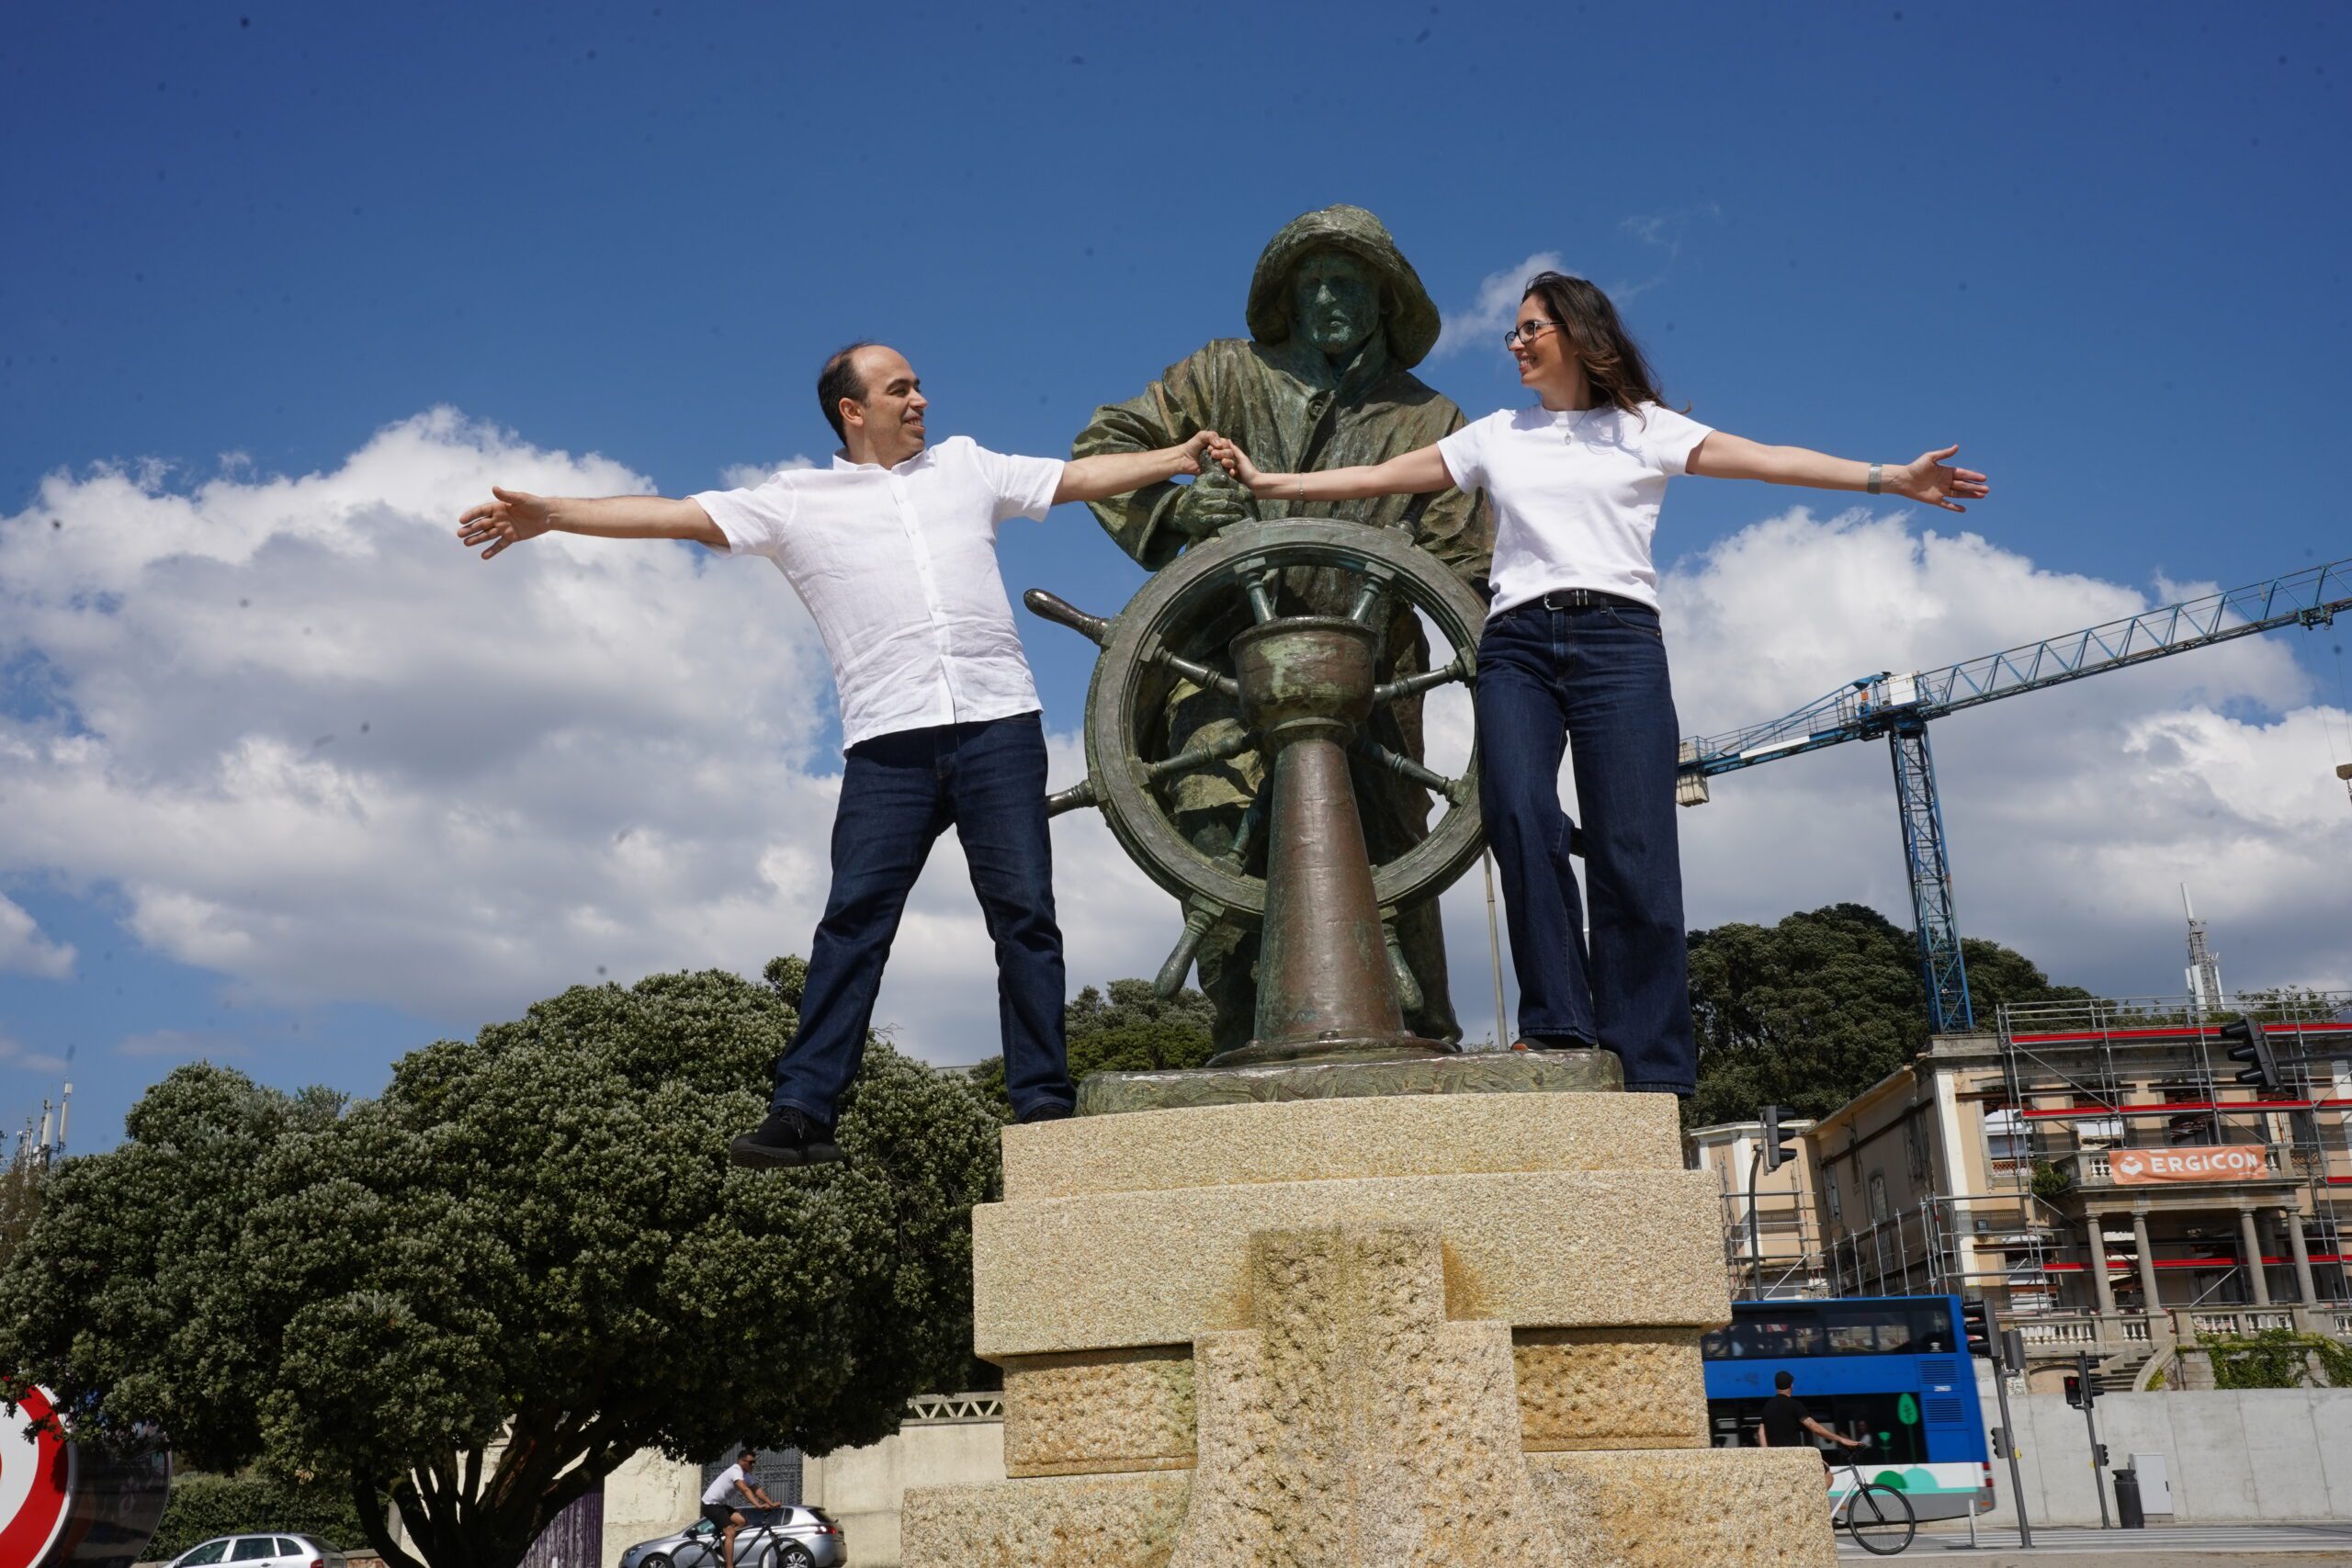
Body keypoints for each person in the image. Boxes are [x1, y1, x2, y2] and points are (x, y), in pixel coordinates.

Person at [1208, 271, 1986, 1094]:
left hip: (1620, 644)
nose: (1516, 343)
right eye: (1513, 331)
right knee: (1518, 813)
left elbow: (1767, 461)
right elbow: (1384, 476)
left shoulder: (1644, 428)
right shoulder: (1498, 434)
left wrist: (1891, 477)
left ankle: (1649, 1062)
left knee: (1633, 848)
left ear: (1577, 334)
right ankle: (1558, 1023)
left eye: (1530, 329)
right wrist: (1272, 483)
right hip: (1516, 644)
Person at [458, 343, 1220, 1164]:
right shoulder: (795, 501)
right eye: (900, 389)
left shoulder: (967, 468)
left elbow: (1074, 479)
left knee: (1025, 916)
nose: (921, 399)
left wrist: (1177, 456)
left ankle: (1041, 1101)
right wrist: (552, 514)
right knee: (853, 922)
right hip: (887, 745)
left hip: (999, 726)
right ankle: (802, 1111)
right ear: (852, 410)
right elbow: (674, 514)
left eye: (920, 385)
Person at [1071, 206, 1489, 1054]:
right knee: (1214, 826)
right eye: (1314, 284)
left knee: (1390, 860)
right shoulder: (1222, 374)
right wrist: (1177, 505)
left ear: (1386, 298)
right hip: (1223, 660)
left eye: (1349, 283)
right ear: (1287, 299)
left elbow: (1465, 566)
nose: (1329, 299)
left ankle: (1421, 1038)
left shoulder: (1431, 418)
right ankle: (1246, 1038)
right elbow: (1104, 445)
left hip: (1372, 679)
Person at [1758, 1370, 1864, 1463]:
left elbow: (1761, 1433)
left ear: (1776, 1387)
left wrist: (1767, 1455)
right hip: (1795, 1457)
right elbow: (1814, 1427)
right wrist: (1841, 1439)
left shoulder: (1767, 1406)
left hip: (1776, 1458)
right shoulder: (1795, 1405)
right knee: (1827, 1474)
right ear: (1791, 1386)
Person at [699, 1448, 779, 1567]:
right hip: (710, 1505)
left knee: (742, 1522)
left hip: (719, 1505)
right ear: (741, 1461)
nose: (753, 1465)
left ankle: (721, 1549)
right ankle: (729, 1566)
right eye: (750, 1462)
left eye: (754, 1462)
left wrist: (771, 1503)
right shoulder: (736, 1470)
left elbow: (756, 1490)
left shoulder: (746, 1475)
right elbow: (745, 1489)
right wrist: (758, 1505)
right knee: (730, 1532)